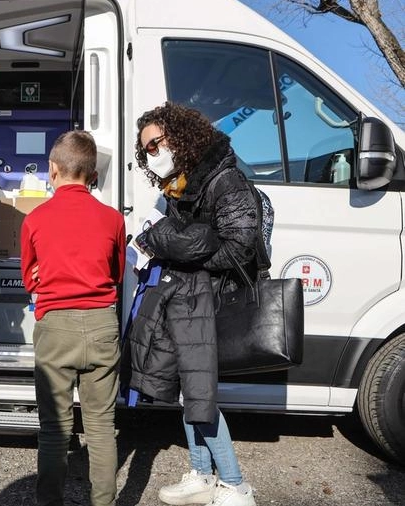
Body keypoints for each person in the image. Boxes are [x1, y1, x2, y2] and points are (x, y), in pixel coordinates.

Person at [129, 102, 258, 506]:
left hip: (215, 297)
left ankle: (235, 485)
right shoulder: (180, 186)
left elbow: (241, 245)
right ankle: (202, 476)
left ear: (181, 136)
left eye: (157, 143)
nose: (153, 154)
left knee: (200, 391)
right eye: (147, 149)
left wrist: (182, 251)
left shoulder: (225, 179)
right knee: (189, 387)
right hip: (190, 296)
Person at [19, 130, 126, 506]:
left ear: (52, 170)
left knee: (54, 430)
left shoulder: (35, 219)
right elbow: (116, 274)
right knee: (101, 428)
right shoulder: (112, 219)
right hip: (101, 325)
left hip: (55, 328)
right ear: (92, 174)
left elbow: (29, 275)